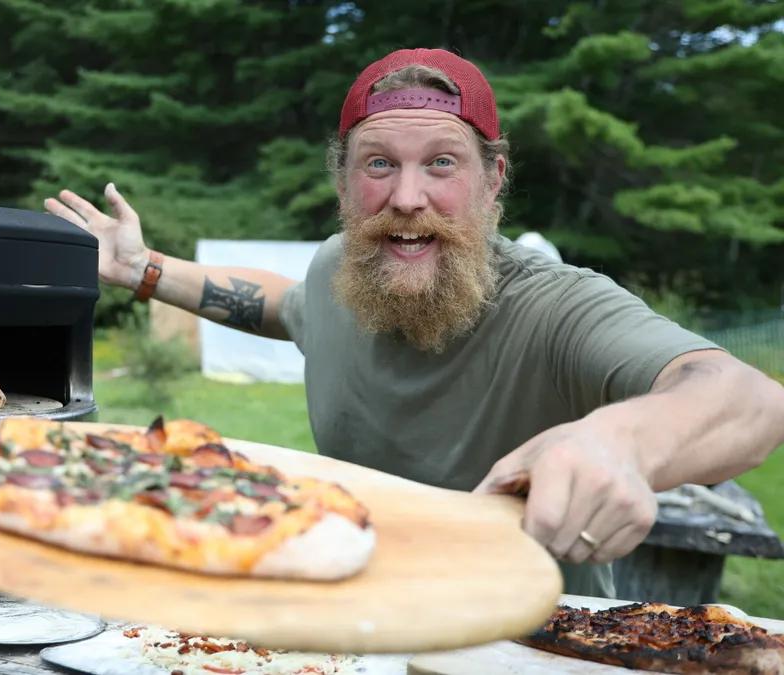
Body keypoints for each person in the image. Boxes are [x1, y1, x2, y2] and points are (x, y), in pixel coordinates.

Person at [43, 47, 784, 597]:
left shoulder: (555, 307)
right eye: (377, 165)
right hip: (347, 622)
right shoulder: (342, 269)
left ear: (494, 180)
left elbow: (745, 398)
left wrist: (621, 440)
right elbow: (281, 304)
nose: (405, 197)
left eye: (441, 163)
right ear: (341, 180)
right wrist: (142, 268)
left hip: (523, 648)